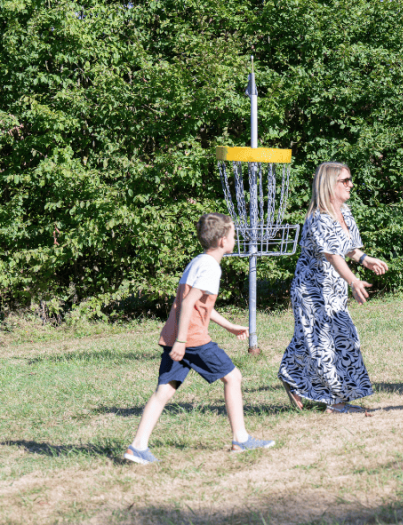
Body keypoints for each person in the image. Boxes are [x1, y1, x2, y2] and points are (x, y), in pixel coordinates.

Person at [124, 213, 275, 464]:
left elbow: (200, 305)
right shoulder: (210, 268)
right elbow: (188, 303)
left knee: (165, 389)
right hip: (191, 338)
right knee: (233, 377)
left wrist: (229, 327)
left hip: (176, 336)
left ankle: (137, 446)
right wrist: (183, 341)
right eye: (234, 236)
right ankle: (241, 439)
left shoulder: (199, 261)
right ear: (223, 241)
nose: (236, 240)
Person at [279, 162, 388, 414]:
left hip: (333, 290)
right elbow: (332, 256)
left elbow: (348, 248)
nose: (351, 184)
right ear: (330, 185)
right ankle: (337, 403)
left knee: (312, 339)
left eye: (350, 179)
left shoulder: (344, 211)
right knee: (333, 343)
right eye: (345, 180)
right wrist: (354, 281)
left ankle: (291, 375)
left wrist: (364, 259)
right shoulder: (319, 218)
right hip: (313, 292)